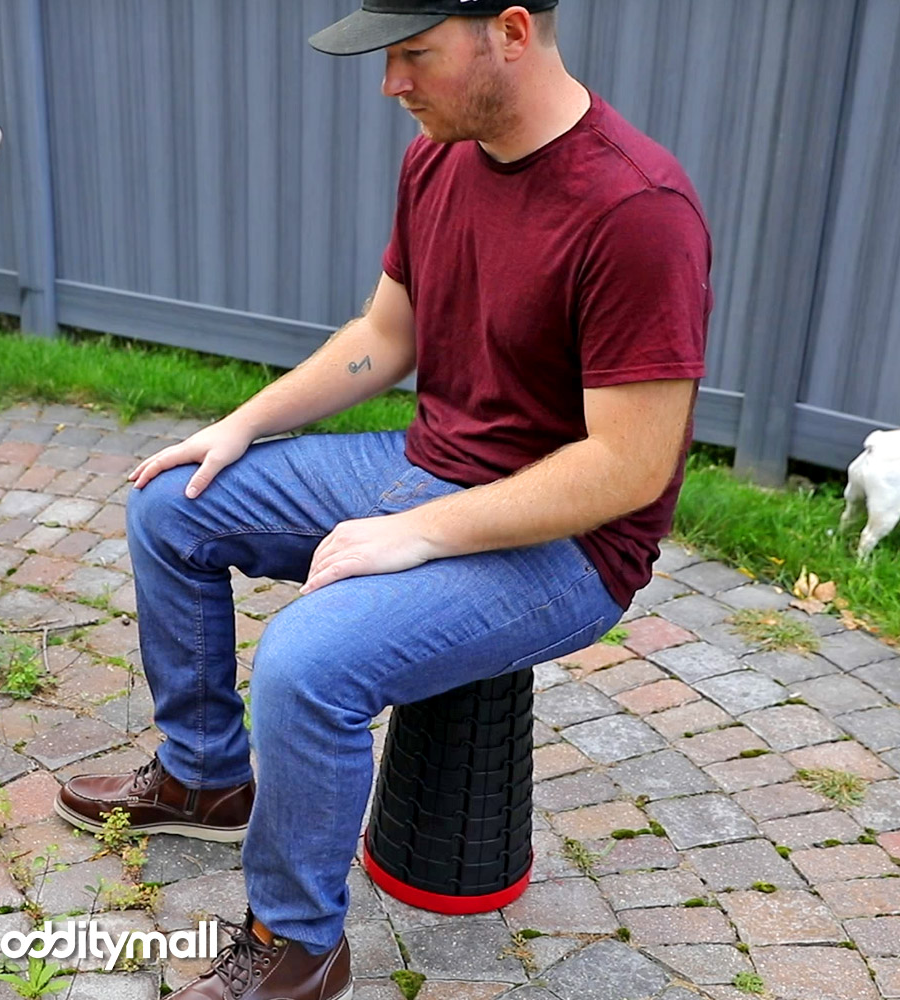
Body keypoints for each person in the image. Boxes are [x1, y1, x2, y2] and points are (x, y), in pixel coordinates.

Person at [53, 2, 712, 997]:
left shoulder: (637, 209)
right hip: (429, 463)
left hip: (573, 546)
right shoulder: (438, 157)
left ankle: (300, 945)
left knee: (307, 662)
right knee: (172, 504)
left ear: (511, 31)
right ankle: (204, 771)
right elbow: (385, 336)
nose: (390, 84)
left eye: (414, 55)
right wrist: (241, 425)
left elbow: (626, 467)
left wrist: (417, 534)